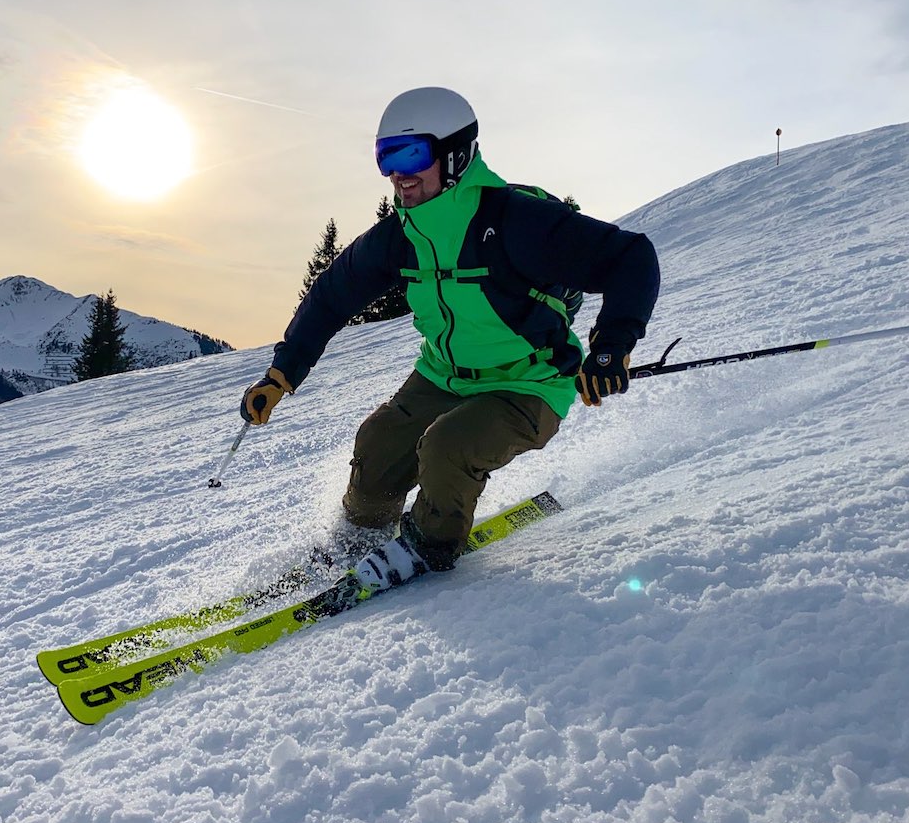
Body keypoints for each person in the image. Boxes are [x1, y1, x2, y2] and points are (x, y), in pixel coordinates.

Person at [240, 87, 660, 591]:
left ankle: (429, 546)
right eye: (386, 158)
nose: (398, 174)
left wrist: (611, 346)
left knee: (447, 446)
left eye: (411, 155)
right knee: (378, 442)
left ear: (456, 154)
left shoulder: (512, 220)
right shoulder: (402, 234)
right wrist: (281, 374)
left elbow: (631, 258)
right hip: (442, 375)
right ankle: (358, 541)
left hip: (528, 382)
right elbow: (331, 297)